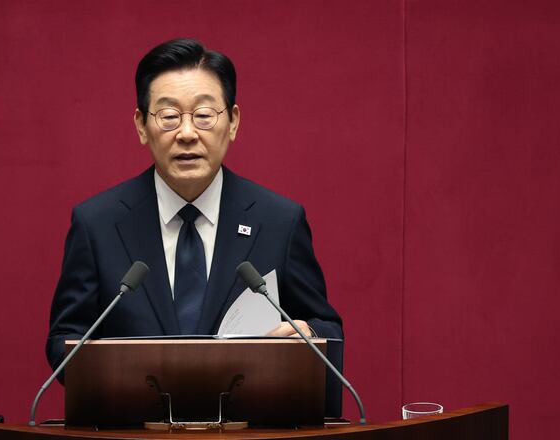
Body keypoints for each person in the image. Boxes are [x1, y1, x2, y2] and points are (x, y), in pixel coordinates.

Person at [46, 38, 342, 372]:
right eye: (169, 116)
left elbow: (327, 329)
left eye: (203, 115)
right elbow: (65, 340)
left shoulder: (279, 222)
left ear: (232, 122)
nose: (187, 133)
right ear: (142, 126)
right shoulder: (97, 224)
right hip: (134, 406)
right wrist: (120, 374)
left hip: (247, 406)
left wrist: (309, 333)